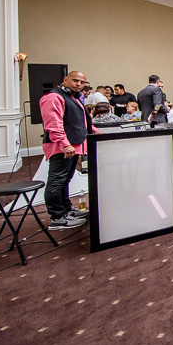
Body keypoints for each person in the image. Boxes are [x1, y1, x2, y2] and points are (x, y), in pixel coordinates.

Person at [39, 70, 101, 230]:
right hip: (63, 146)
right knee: (57, 181)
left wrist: (92, 129)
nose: (78, 84)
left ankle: (67, 209)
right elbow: (53, 124)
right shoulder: (54, 97)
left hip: (73, 145)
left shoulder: (72, 98)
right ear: (65, 79)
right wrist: (64, 143)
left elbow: (77, 119)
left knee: (65, 180)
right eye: (75, 80)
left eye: (82, 82)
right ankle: (57, 217)